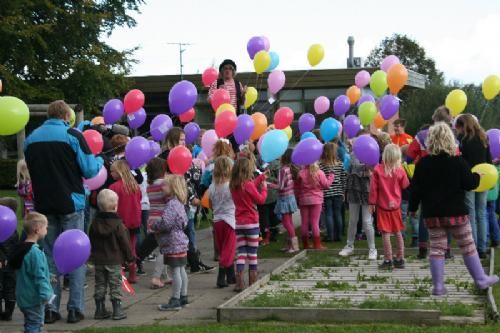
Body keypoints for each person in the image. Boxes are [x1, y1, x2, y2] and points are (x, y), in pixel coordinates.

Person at [24, 100, 103, 324]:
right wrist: (99, 160)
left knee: (49, 257)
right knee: (75, 256)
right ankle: (75, 308)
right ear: (67, 116)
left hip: (44, 203)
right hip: (71, 203)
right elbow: (89, 169)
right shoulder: (73, 135)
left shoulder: (31, 139)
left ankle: (50, 307)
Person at [409, 122, 499, 295]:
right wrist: (477, 177)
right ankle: (481, 279)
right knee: (468, 246)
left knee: (436, 248)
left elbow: (416, 190)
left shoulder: (423, 164)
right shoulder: (458, 162)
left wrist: (412, 208)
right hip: (456, 212)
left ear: (430, 141)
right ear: (450, 140)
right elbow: (469, 184)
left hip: (433, 215)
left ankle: (438, 287)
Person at [89, 189, 134, 320]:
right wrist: (130, 258)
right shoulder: (118, 225)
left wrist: (91, 257)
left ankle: (100, 309)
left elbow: (90, 241)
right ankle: (117, 310)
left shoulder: (94, 224)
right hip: (114, 260)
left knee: (100, 284)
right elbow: (125, 243)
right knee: (115, 285)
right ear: (115, 206)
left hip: (99, 260)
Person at [9, 212, 54, 333]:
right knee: (35, 324)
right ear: (37, 230)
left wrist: (49, 275)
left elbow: (28, 270)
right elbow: (39, 276)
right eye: (46, 227)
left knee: (30, 323)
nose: (47, 229)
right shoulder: (35, 252)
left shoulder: (22, 249)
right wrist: (46, 295)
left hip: (23, 297)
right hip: (34, 298)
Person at [151, 175, 190, 311]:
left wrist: (155, 225)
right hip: (180, 241)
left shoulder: (171, 204)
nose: (162, 187)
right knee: (181, 270)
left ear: (173, 188)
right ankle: (183, 296)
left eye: (165, 185)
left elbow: (166, 223)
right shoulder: (179, 203)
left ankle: (175, 299)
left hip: (173, 243)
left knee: (175, 272)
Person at [455, 114, 491, 258]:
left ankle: (474, 247)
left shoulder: (463, 141)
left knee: (471, 212)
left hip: (469, 178)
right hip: (485, 177)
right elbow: (489, 159)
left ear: (464, 125)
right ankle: (482, 247)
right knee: (482, 213)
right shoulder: (484, 137)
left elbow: (461, 162)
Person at [369, 144, 410, 270]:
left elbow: (373, 189)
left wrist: (372, 203)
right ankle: (400, 257)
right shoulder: (400, 170)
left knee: (385, 233)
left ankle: (388, 259)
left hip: (383, 206)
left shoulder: (378, 169)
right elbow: (405, 185)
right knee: (398, 232)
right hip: (396, 206)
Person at [230, 158, 268, 292]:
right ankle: (253, 281)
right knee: (252, 254)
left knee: (241, 253)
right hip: (252, 223)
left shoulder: (233, 185)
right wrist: (264, 189)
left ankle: (239, 282)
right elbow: (260, 199)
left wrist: (261, 177)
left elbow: (249, 186)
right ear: (248, 171)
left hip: (239, 224)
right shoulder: (249, 185)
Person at [339, 131, 378, 260]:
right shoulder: (353, 154)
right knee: (352, 220)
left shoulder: (373, 154)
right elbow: (352, 168)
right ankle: (349, 246)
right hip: (354, 189)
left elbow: (374, 170)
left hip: (367, 190)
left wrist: (369, 169)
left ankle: (372, 249)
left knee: (367, 221)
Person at [109, 160, 142, 284]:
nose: (111, 174)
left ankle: (121, 275)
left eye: (112, 171)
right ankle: (133, 273)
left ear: (119, 172)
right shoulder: (135, 186)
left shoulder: (114, 187)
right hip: (134, 221)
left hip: (120, 222)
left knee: (118, 248)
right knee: (131, 248)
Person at [209, 156, 237, 288]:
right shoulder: (230, 186)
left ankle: (231, 276)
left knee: (222, 249)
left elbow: (209, 203)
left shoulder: (212, 186)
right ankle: (221, 277)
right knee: (229, 250)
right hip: (229, 220)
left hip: (217, 220)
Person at [295, 163, 334, 250]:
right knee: (315, 223)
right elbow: (326, 185)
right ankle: (317, 244)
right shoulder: (319, 172)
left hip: (303, 199)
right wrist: (331, 176)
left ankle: (305, 245)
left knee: (304, 222)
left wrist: (298, 198)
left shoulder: (300, 173)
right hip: (316, 200)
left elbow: (296, 187)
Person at [145, 158, 171, 289]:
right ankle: (156, 277)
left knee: (162, 246)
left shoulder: (150, 186)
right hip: (163, 219)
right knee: (165, 249)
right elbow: (168, 199)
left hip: (152, 220)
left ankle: (164, 276)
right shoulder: (163, 184)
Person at [319, 142, 347, 242]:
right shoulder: (340, 164)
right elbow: (344, 178)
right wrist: (343, 191)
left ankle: (330, 236)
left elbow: (320, 180)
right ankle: (338, 235)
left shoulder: (321, 165)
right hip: (338, 192)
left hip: (327, 193)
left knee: (329, 214)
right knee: (338, 213)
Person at [274, 149, 299, 253]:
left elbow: (281, 187)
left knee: (286, 222)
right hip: (290, 197)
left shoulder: (282, 170)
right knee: (289, 222)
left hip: (284, 199)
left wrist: (269, 184)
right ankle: (290, 245)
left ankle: (294, 246)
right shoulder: (289, 168)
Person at [0, 197, 19, 321]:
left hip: (3, 262)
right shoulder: (14, 229)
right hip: (11, 264)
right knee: (10, 288)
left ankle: (5, 312)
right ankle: (8, 313)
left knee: (3, 287)